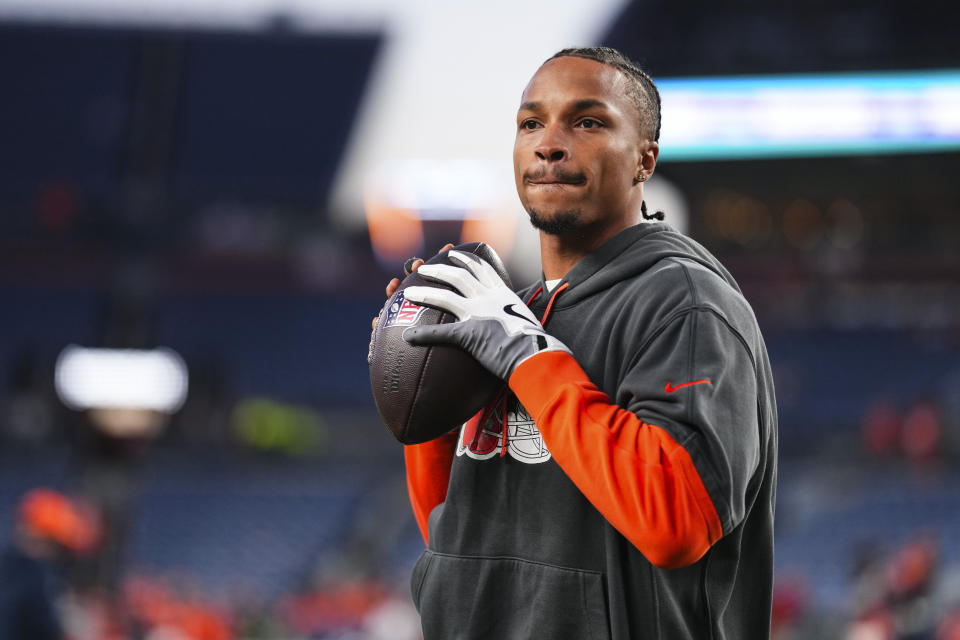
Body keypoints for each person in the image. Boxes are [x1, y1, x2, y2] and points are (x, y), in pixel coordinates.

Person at [380, 46, 778, 639]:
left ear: (646, 159)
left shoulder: (687, 304)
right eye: (531, 123)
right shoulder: (505, 312)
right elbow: (455, 530)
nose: (549, 143)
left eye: (588, 121)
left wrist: (533, 360)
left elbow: (675, 518)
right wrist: (424, 362)